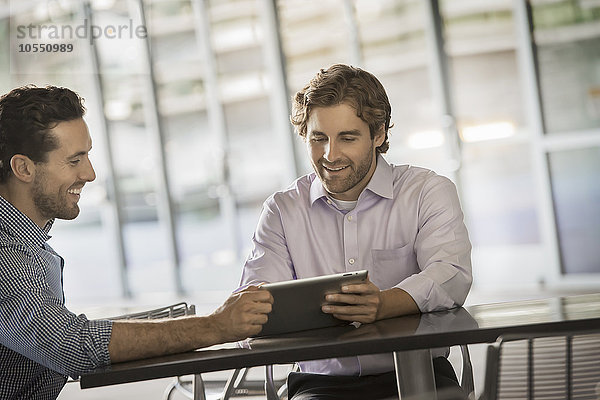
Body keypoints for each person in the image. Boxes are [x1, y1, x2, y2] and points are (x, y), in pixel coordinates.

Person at [0, 85, 273, 400]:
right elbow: (72, 346)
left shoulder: (27, 241)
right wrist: (215, 326)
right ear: (23, 168)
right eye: (74, 160)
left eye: (87, 155)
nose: (90, 174)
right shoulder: (7, 254)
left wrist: (185, 323)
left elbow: (68, 333)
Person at [240, 64, 472, 399]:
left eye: (347, 138)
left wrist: (385, 303)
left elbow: (451, 274)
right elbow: (252, 305)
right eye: (318, 138)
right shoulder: (281, 210)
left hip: (420, 376)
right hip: (321, 385)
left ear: (378, 135)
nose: (330, 155)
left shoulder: (427, 191)